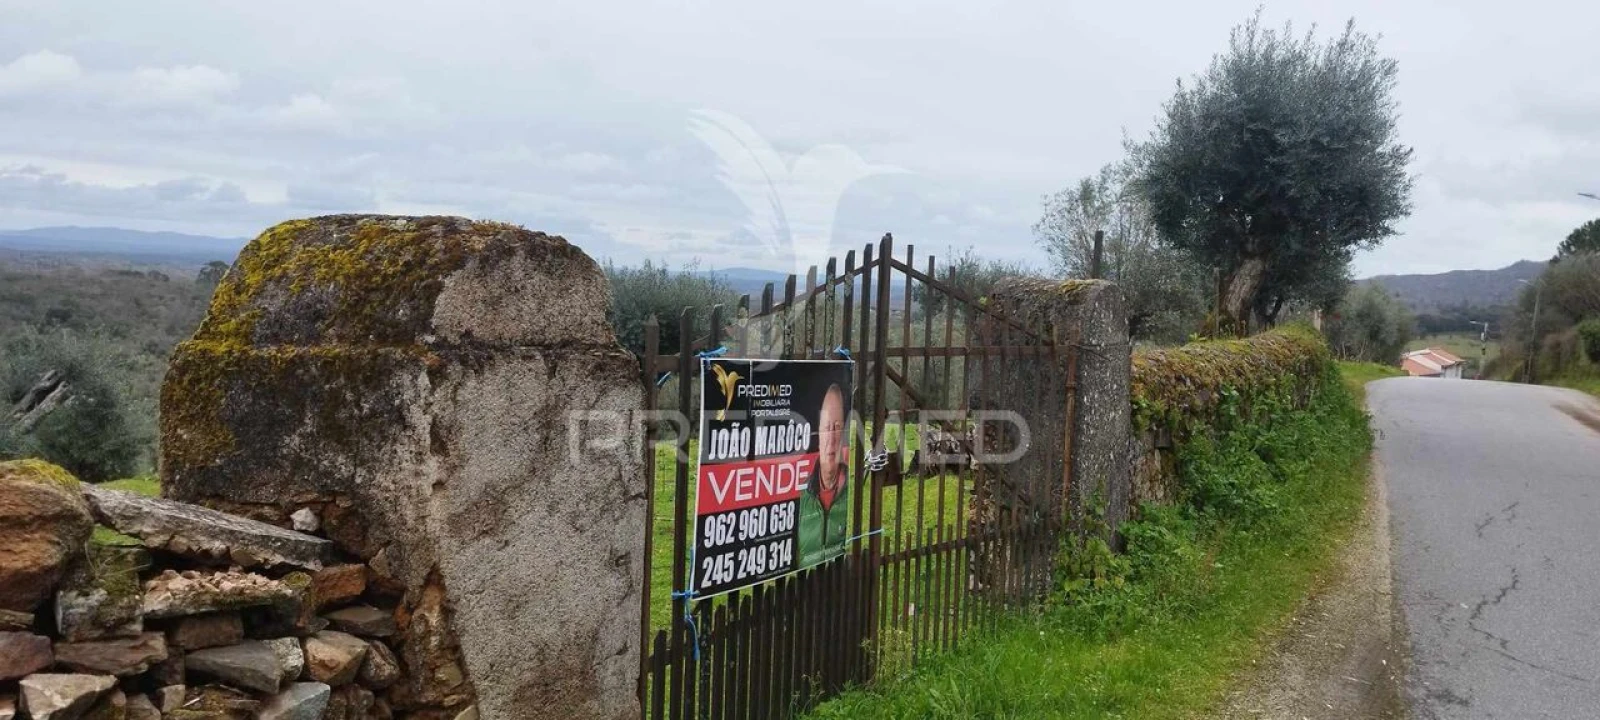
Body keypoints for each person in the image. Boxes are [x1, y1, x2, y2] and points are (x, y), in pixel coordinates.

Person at [797, 383, 850, 567]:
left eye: (837, 427)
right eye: (827, 428)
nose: (832, 437)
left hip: (840, 579)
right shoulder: (800, 495)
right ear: (818, 435)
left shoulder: (853, 491)